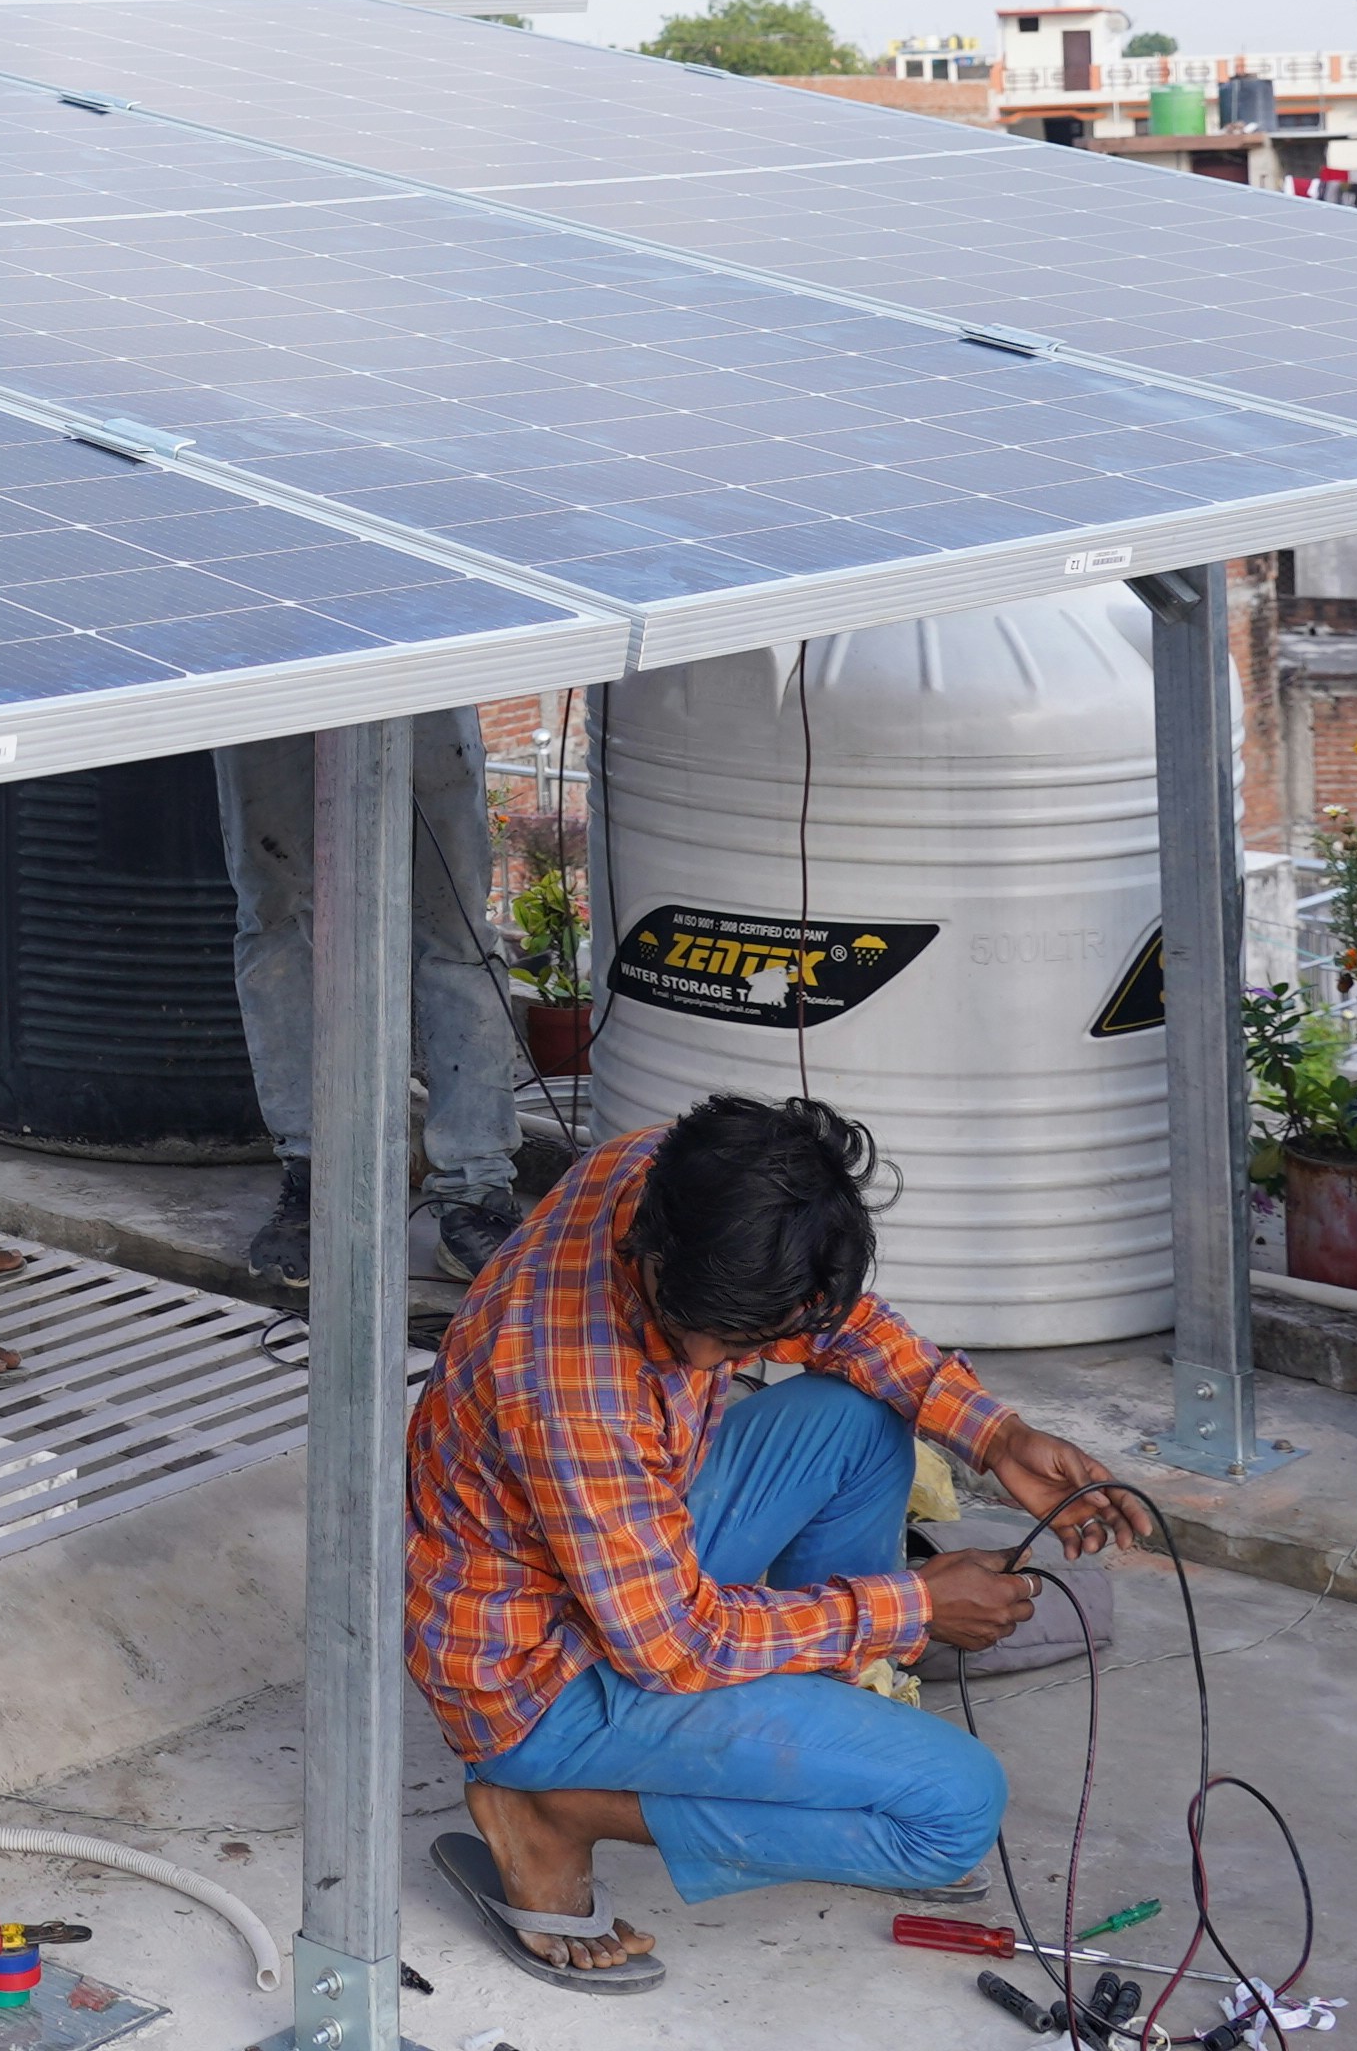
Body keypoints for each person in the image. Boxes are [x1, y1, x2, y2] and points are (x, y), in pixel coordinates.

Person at [404, 1089, 1154, 1982]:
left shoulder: (668, 1172)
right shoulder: (573, 1390)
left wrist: (998, 1436)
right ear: (650, 1252)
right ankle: (557, 1811)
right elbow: (674, 1646)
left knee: (860, 1422)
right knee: (955, 1812)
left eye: (739, 1345)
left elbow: (838, 1324)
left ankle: (826, 1722)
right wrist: (911, 1604)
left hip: (616, 1551)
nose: (703, 1369)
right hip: (535, 1677)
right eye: (700, 1340)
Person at [218, 706, 530, 1282]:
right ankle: (315, 1172)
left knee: (455, 922)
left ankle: (477, 1188)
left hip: (423, 658)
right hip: (271, 663)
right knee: (277, 916)